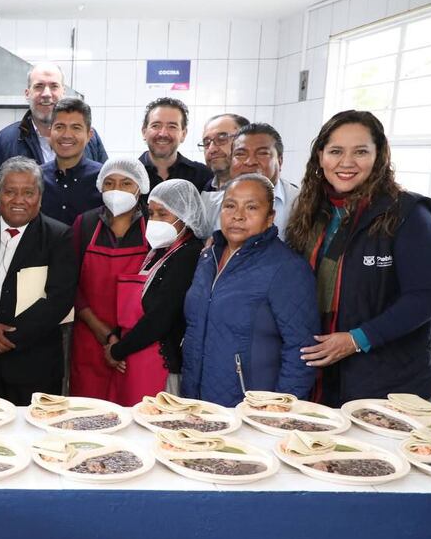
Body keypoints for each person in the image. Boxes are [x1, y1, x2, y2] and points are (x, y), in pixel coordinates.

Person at [286, 110, 431, 405]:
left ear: (379, 156)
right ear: (320, 156)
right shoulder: (311, 212)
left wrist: (357, 339)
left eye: (360, 151)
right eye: (336, 151)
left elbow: (430, 295)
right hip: (318, 376)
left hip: (386, 384)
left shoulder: (408, 214)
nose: (346, 163)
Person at [181, 174, 318, 406]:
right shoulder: (208, 257)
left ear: (270, 217)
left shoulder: (287, 267)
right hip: (197, 400)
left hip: (252, 406)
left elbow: (302, 350)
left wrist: (280, 408)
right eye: (230, 205)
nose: (238, 215)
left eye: (251, 207)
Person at [0, 156, 78, 405]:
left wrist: (10, 338)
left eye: (28, 192)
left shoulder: (59, 236)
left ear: (40, 196)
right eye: (10, 192)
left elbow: (59, 299)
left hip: (36, 363)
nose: (18, 200)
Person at [104, 179, 208, 401]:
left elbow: (161, 317)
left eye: (163, 214)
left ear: (185, 216)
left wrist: (117, 350)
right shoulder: (157, 251)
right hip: (133, 354)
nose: (155, 221)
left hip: (158, 362)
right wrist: (115, 335)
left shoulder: (188, 255)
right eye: (151, 213)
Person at [69, 157, 150, 402]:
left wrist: (124, 343)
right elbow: (71, 285)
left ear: (141, 187)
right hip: (89, 338)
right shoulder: (85, 224)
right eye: (110, 183)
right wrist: (105, 334)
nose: (117, 190)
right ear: (100, 187)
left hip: (137, 341)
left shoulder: (154, 227)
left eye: (126, 183)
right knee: (88, 414)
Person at [0, 62, 107, 173]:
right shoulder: (4, 142)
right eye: (39, 86)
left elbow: (106, 182)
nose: (46, 94)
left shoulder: (90, 138)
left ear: (63, 91)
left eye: (54, 86)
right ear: (27, 93)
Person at [206, 122, 300, 238]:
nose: (250, 162)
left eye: (262, 153)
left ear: (280, 161)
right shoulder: (209, 205)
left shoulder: (301, 203)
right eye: (240, 154)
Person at [40, 98, 104, 225]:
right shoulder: (35, 177)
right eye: (59, 127)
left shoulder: (104, 179)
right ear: (49, 132)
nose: (67, 135)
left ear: (89, 135)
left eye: (76, 128)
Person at [138, 97, 213, 193]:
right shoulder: (127, 176)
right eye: (156, 125)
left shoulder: (203, 175)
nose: (163, 133)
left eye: (172, 127)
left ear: (183, 134)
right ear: (144, 132)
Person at [199, 113, 250, 192]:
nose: (211, 149)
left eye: (222, 138)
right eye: (207, 142)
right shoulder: (204, 187)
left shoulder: (258, 188)